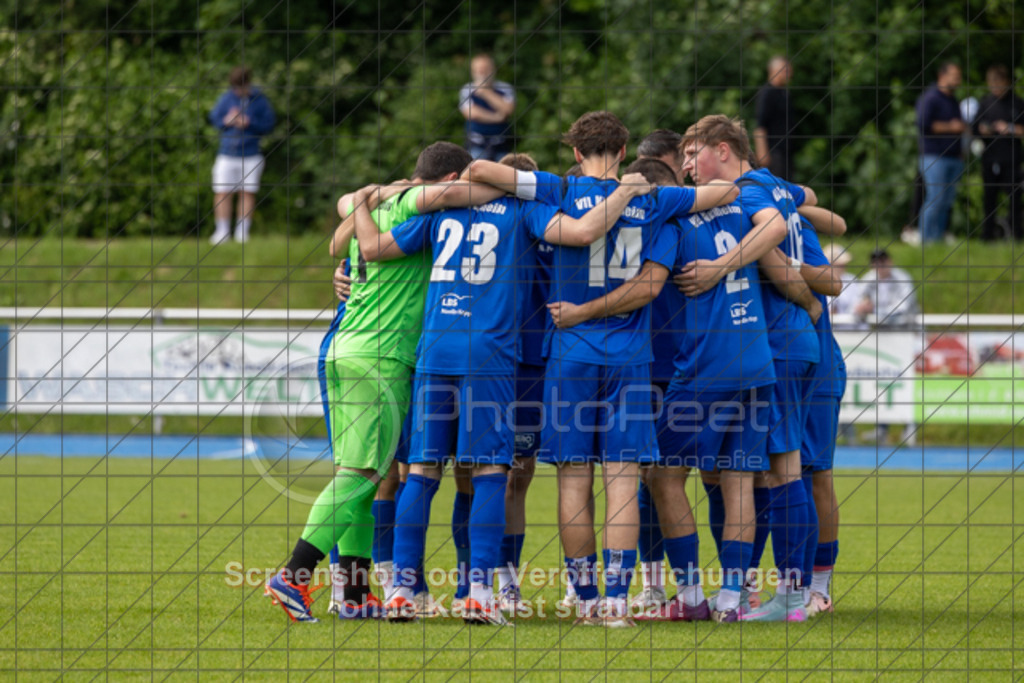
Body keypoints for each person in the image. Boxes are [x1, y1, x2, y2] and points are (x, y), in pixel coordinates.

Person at [463, 110, 739, 627]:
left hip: (568, 355)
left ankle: (585, 598)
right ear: (622, 149)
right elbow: (722, 193)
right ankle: (617, 599)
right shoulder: (656, 198)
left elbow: (481, 171)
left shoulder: (557, 190)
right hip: (630, 361)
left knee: (572, 481)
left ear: (574, 152)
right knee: (621, 480)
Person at [359, 169, 655, 626]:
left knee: (420, 471)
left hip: (436, 349)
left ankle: (401, 590)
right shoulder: (525, 208)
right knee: (491, 471)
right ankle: (479, 591)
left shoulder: (442, 208)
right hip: (491, 353)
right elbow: (581, 232)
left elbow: (373, 249)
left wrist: (360, 202)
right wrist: (627, 191)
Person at [264, 142, 494, 622]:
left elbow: (344, 210)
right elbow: (454, 195)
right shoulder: (412, 202)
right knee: (363, 473)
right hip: (380, 356)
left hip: (348, 348)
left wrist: (370, 193)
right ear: (448, 178)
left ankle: (352, 593)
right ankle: (295, 575)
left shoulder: (373, 203)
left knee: (365, 476)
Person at [675, 115, 823, 623]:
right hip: (789, 339)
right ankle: (764, 591)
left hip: (775, 341)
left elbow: (776, 239)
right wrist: (813, 296)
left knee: (782, 471)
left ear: (723, 149)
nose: (687, 165)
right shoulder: (771, 183)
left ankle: (791, 596)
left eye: (694, 153)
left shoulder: (744, 189)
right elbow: (807, 208)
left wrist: (719, 268)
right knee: (762, 474)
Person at [208, 66, 276, 244]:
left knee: (247, 193)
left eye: (241, 87)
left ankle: (242, 233)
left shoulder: (259, 100)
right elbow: (214, 118)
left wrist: (249, 122)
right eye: (236, 87)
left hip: (251, 154)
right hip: (227, 153)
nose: (238, 91)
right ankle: (221, 232)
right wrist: (226, 120)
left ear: (248, 83)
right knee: (222, 192)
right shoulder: (227, 98)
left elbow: (269, 124)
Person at [916, 62, 965, 244]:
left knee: (946, 202)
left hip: (954, 158)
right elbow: (923, 124)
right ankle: (925, 240)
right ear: (942, 75)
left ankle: (937, 240)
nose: (958, 80)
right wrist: (951, 127)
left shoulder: (953, 99)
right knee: (935, 199)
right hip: (934, 157)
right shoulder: (930, 98)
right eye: (955, 75)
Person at [975, 64, 1024, 241]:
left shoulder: (1017, 103)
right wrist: (983, 130)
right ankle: (987, 236)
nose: (995, 88)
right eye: (992, 84)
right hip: (989, 159)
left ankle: (1017, 236)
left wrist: (1009, 128)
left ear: (1007, 82)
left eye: (999, 83)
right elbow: (974, 129)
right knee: (989, 199)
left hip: (1012, 159)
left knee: (1015, 200)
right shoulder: (985, 103)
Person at [459, 54, 516, 161]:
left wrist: (485, 92)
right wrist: (497, 117)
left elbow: (508, 109)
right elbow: (472, 113)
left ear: (493, 70)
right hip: (477, 145)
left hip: (501, 145)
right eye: (479, 70)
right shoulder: (467, 90)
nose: (482, 74)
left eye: (486, 70)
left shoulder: (505, 88)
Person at [755, 56, 796, 180]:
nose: (789, 74)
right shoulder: (767, 93)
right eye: (785, 70)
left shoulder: (784, 92)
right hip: (774, 152)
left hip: (786, 152)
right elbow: (760, 125)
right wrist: (762, 154)